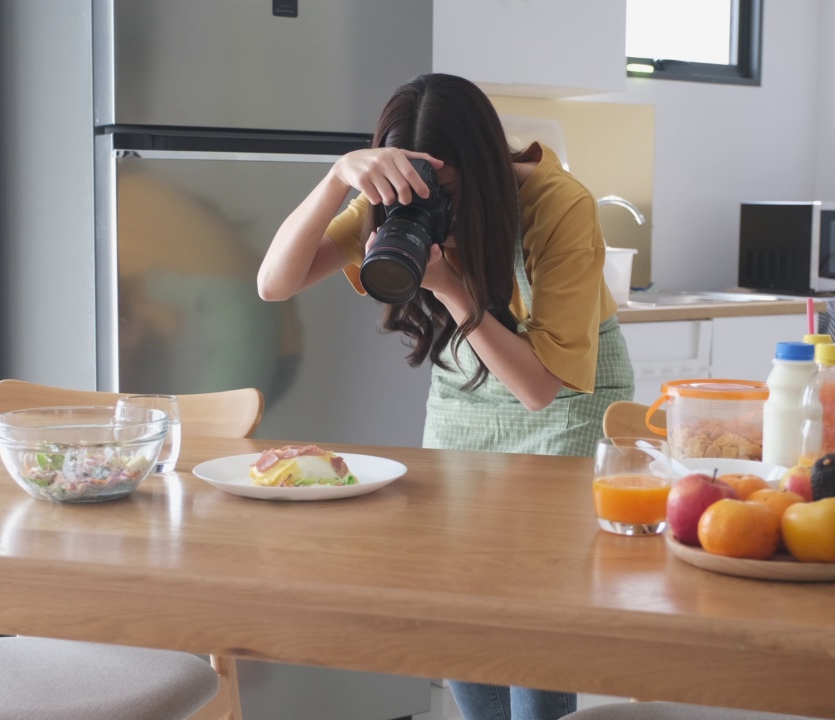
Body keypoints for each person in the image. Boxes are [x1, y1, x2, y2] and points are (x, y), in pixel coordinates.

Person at [256, 73, 635, 720]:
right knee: (463, 614)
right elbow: (274, 283)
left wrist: (451, 287)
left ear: (484, 171)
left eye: (450, 191)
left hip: (565, 402)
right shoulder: (397, 199)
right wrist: (338, 180)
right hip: (464, 398)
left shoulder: (558, 203)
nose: (437, 207)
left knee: (536, 622)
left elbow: (539, 388)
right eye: (420, 191)